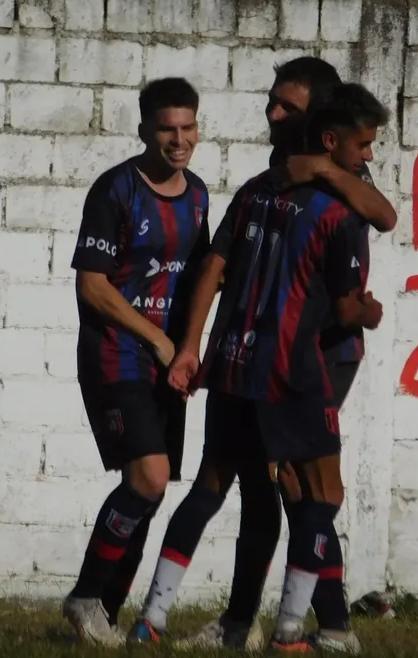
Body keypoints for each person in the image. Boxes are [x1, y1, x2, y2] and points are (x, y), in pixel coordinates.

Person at [129, 59, 394, 649]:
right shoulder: (284, 186)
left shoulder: (320, 184)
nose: (271, 112)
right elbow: (224, 265)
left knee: (275, 486)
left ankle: (192, 620)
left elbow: (382, 215)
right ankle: (284, 629)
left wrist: (196, 347)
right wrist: (367, 310)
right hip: (287, 364)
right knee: (296, 491)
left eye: (285, 106)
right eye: (272, 101)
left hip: (291, 356)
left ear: (321, 123)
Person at [62, 77, 211, 646]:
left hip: (167, 362)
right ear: (145, 129)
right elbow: (93, 287)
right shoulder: (115, 190)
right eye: (167, 129)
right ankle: (85, 598)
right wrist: (156, 339)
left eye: (188, 128)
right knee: (147, 478)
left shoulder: (198, 195)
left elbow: (199, 279)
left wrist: (188, 348)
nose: (179, 140)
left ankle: (106, 612)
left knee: (151, 489)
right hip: (116, 353)